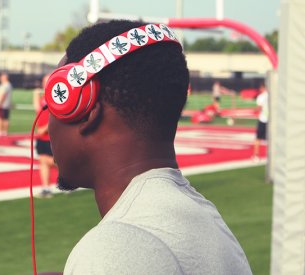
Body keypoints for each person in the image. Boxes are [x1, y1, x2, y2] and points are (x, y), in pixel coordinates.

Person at [44, 20, 252, 274]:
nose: (47, 120)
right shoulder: (205, 218)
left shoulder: (115, 249)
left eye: (52, 104)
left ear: (84, 109)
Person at [33, 75, 56, 198]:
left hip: (49, 137)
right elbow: (37, 108)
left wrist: (44, 128)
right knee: (42, 161)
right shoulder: (43, 97)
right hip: (41, 136)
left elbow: (56, 116)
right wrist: (35, 94)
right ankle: (46, 188)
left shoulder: (55, 97)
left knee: (51, 161)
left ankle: (69, 175)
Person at [252, 83, 269, 161]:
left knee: (258, 138)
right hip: (271, 120)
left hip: (263, 119)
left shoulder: (261, 97)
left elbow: (259, 108)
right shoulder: (271, 96)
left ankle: (256, 155)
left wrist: (254, 110)